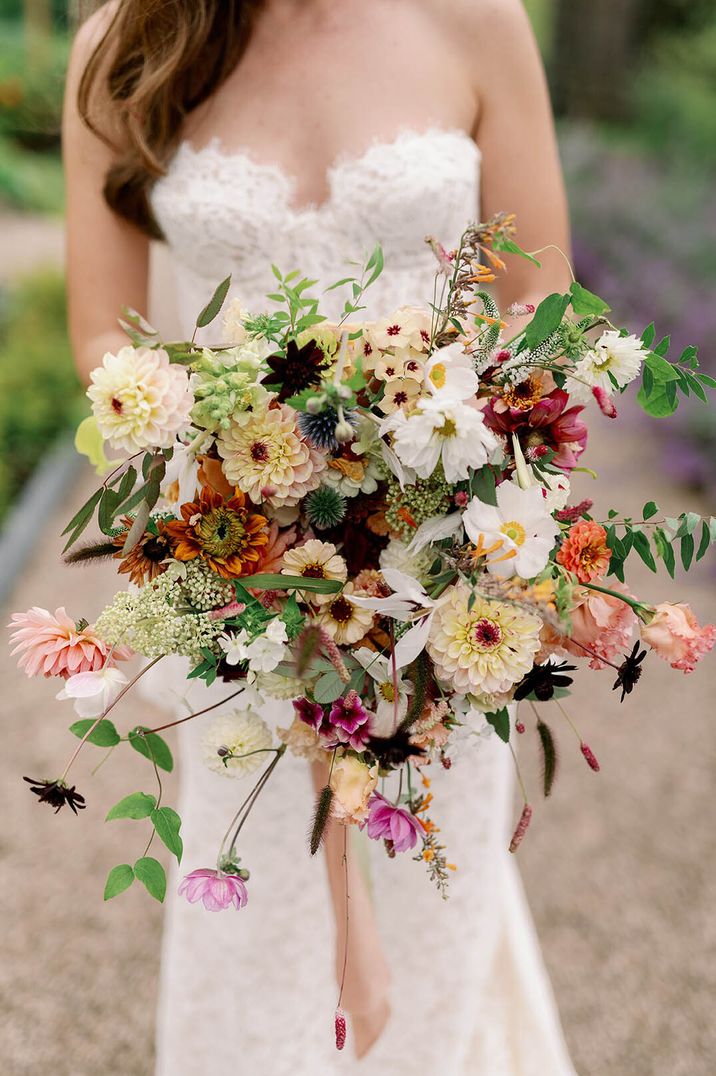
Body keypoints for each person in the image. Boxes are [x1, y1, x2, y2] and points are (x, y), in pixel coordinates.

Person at [63, 2, 577, 1072]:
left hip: (441, 583)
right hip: (239, 571)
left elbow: (537, 294)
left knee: (429, 906)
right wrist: (220, 470)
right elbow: (103, 331)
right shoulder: (127, 40)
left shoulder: (474, 19)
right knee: (252, 917)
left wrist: (471, 488)